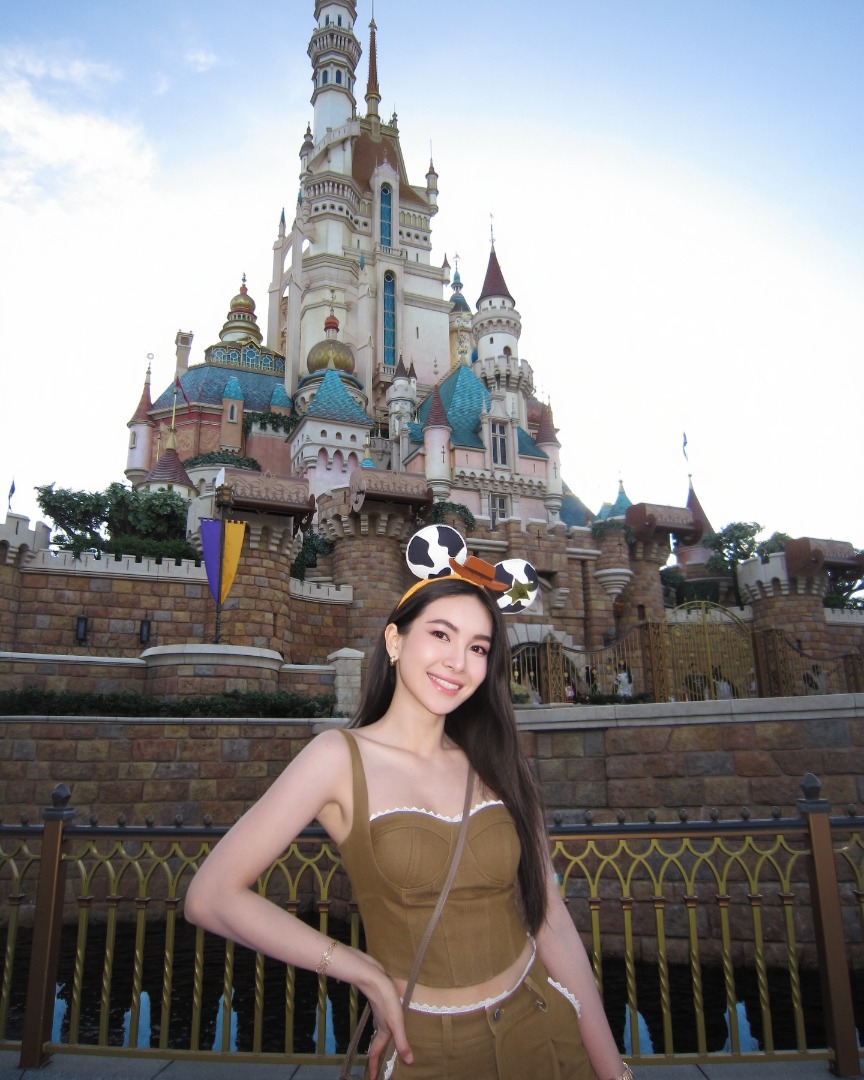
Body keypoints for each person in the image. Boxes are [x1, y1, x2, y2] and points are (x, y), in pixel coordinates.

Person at [185, 526, 633, 1080]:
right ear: (395, 641)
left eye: (478, 648)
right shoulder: (337, 758)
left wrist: (614, 1072)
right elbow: (211, 896)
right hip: (427, 1052)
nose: (458, 661)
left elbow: (551, 921)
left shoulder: (499, 762)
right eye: (441, 634)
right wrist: (361, 970)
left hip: (542, 1028)